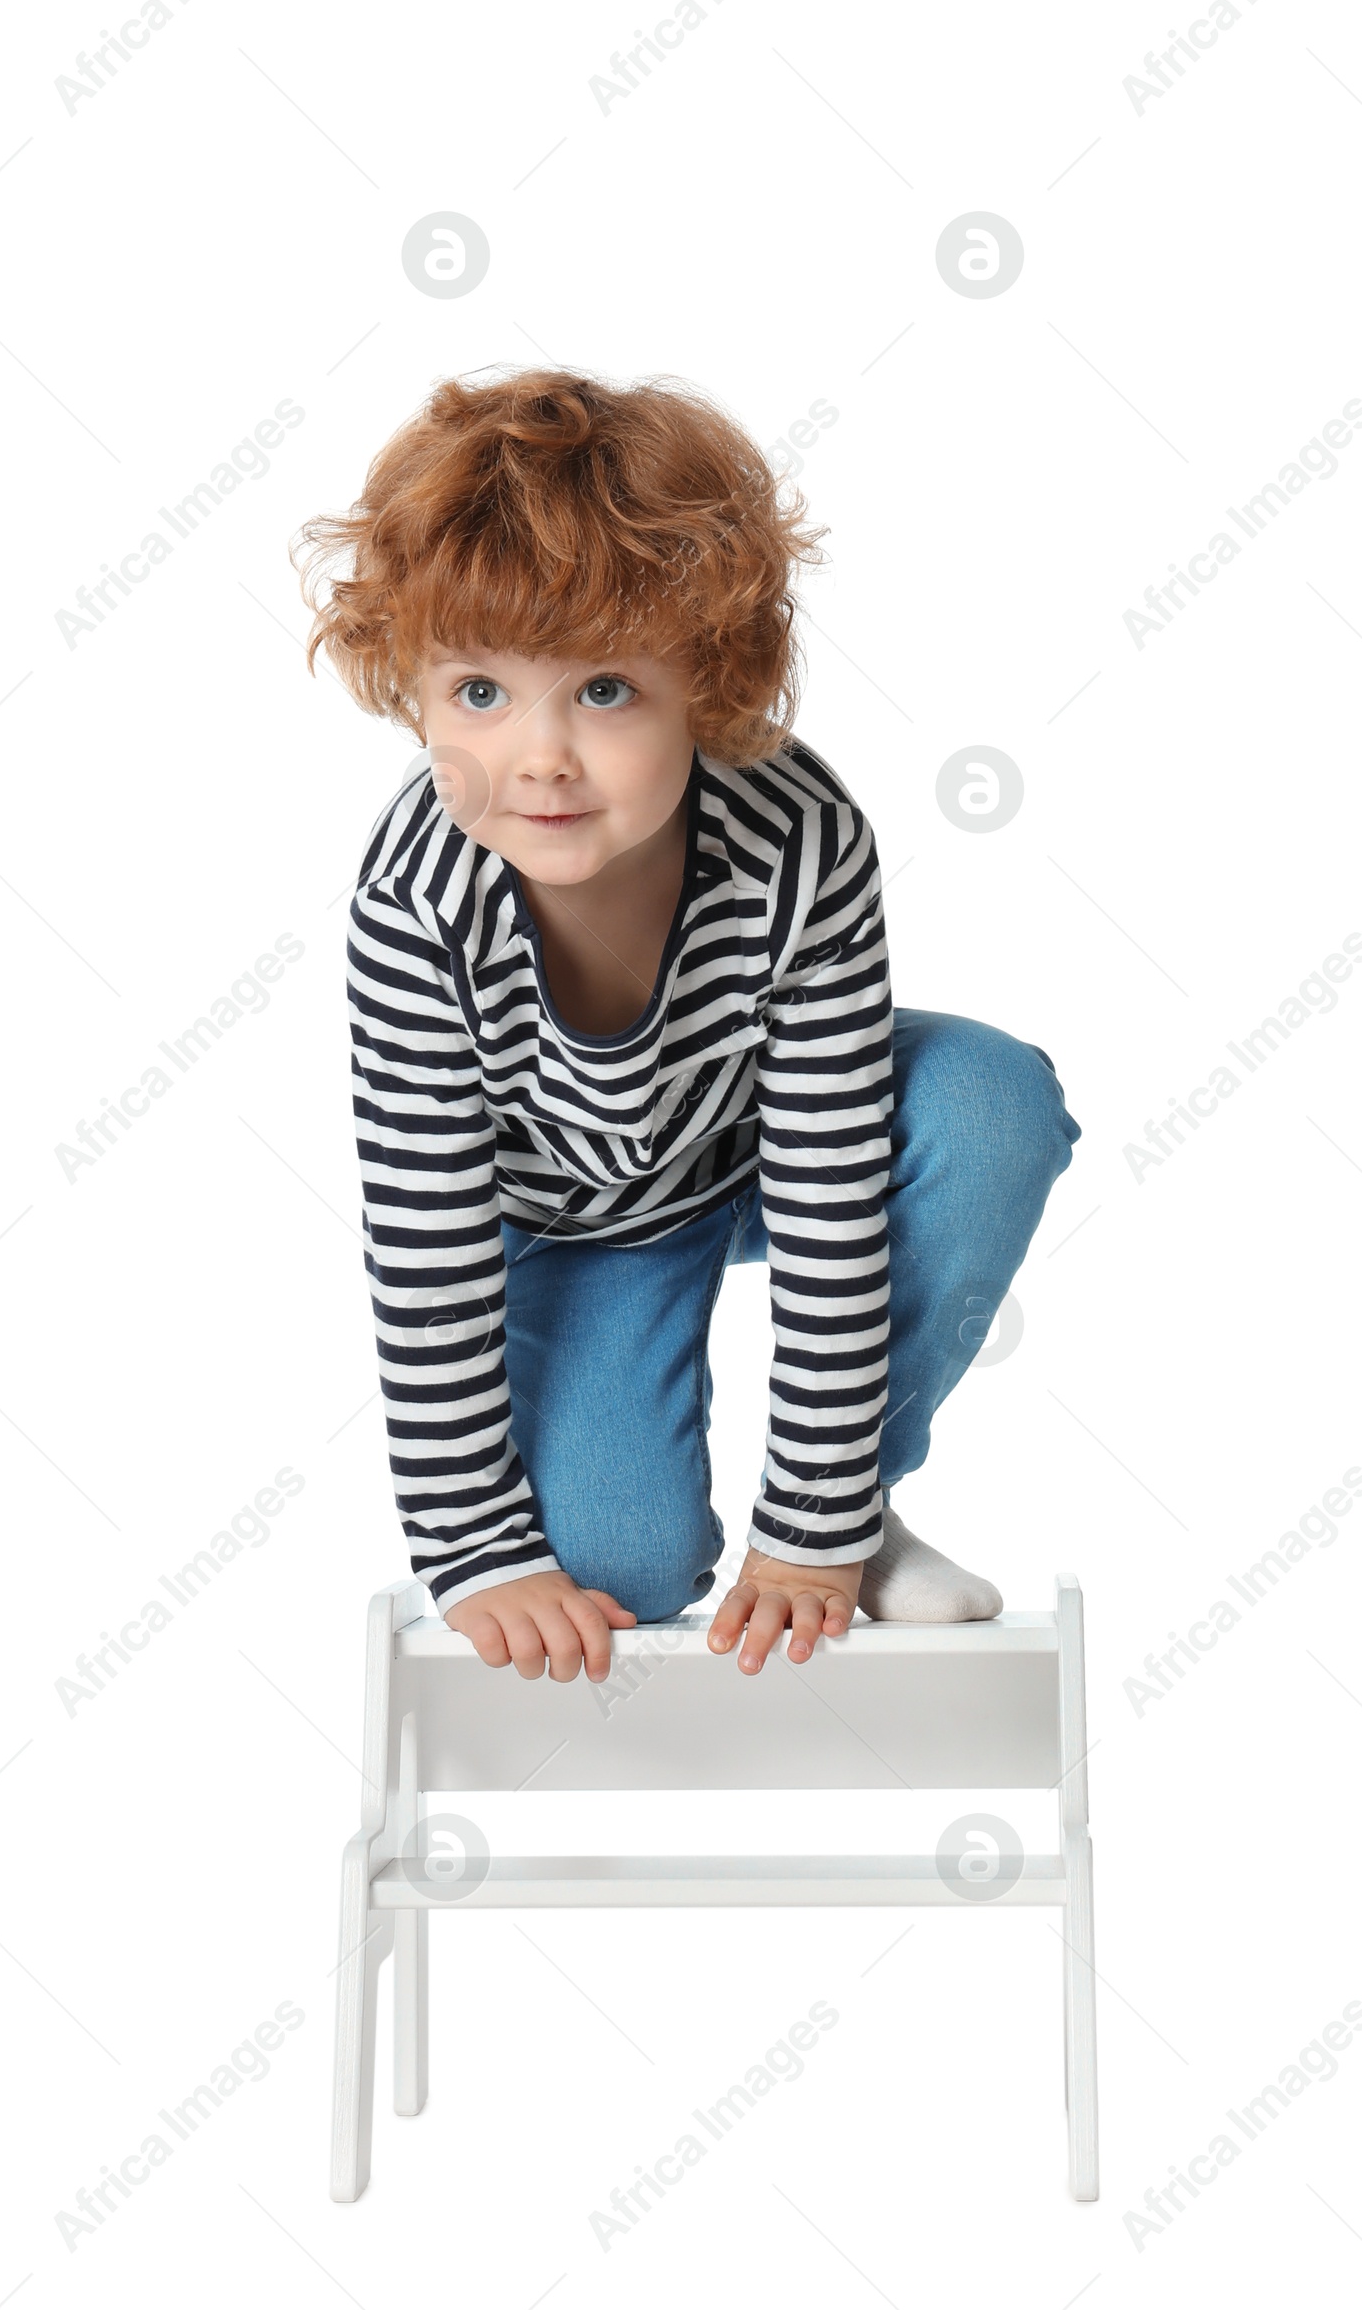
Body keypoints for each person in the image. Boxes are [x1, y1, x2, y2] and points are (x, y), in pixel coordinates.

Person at [296, 368, 1080, 1681]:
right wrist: (478, 1544)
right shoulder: (414, 904)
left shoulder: (800, 839)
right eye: (480, 692)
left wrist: (811, 1527)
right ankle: (715, 1500)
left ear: (706, 685)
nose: (540, 758)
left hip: (753, 1149)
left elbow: (831, 1181)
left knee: (989, 1102)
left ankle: (853, 1506)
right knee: (620, 1568)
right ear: (416, 691)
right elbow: (422, 1243)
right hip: (558, 1215)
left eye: (604, 691)